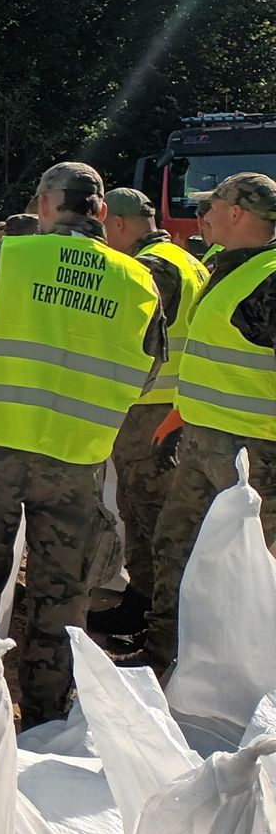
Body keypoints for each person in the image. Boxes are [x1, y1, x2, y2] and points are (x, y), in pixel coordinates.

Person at [0, 162, 164, 725]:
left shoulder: (8, 255)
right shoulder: (137, 280)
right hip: (77, 457)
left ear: (44, 203)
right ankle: (44, 717)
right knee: (62, 599)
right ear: (102, 212)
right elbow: (148, 376)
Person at [145, 173, 276, 667]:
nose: (203, 216)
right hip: (205, 441)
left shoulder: (269, 277)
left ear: (238, 213)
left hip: (256, 457)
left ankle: (245, 673)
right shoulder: (225, 266)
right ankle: (168, 659)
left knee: (251, 568)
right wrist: (180, 418)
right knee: (175, 545)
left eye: (212, 206)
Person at [88, 187, 206, 645]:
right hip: (165, 407)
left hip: (152, 410)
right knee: (141, 511)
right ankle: (142, 604)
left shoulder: (150, 268)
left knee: (150, 513)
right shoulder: (181, 258)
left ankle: (159, 621)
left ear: (115, 224)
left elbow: (124, 331)